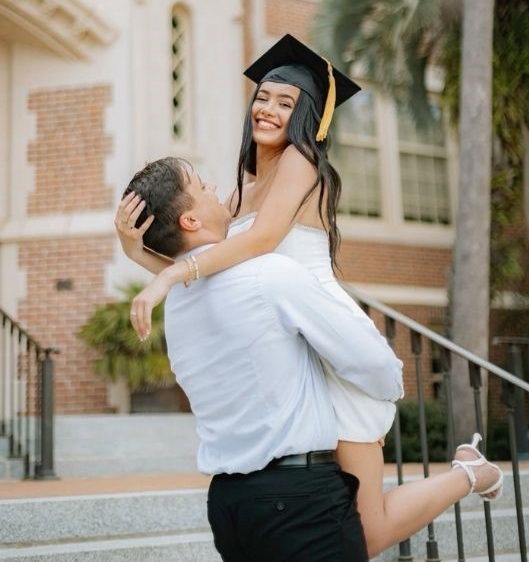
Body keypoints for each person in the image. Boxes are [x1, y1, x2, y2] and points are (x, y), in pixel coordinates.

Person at [116, 34, 504, 558]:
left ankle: (469, 474)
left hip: (330, 344)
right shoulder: (240, 189)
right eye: (263, 97)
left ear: (307, 118)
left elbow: (260, 241)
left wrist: (166, 278)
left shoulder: (301, 162)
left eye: (286, 102)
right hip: (292, 347)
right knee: (360, 530)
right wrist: (139, 255)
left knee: (370, 530)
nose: (268, 109)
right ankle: (469, 472)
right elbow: (220, 268)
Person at [122, 155, 407, 561]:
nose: (215, 188)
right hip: (298, 499)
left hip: (229, 505)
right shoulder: (270, 276)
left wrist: (142, 256)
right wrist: (379, 404)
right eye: (202, 187)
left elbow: (199, 276)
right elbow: (375, 364)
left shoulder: (178, 302)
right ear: (189, 222)